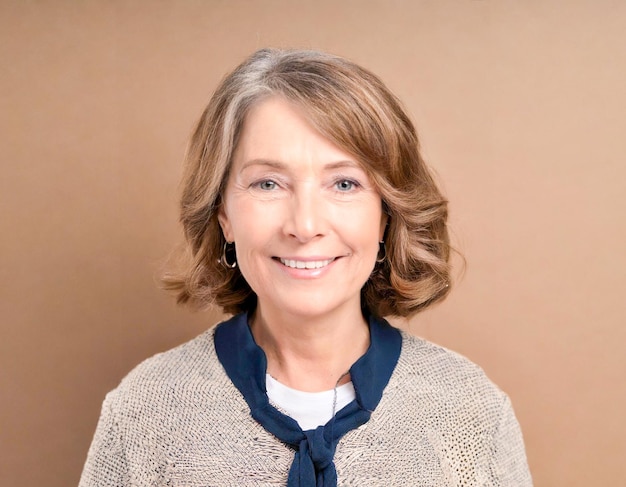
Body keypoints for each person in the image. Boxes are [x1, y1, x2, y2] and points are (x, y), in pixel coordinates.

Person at [79, 48, 532, 486]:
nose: (305, 224)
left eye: (344, 182)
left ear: (386, 216)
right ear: (223, 215)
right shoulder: (146, 410)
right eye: (269, 183)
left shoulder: (470, 411)